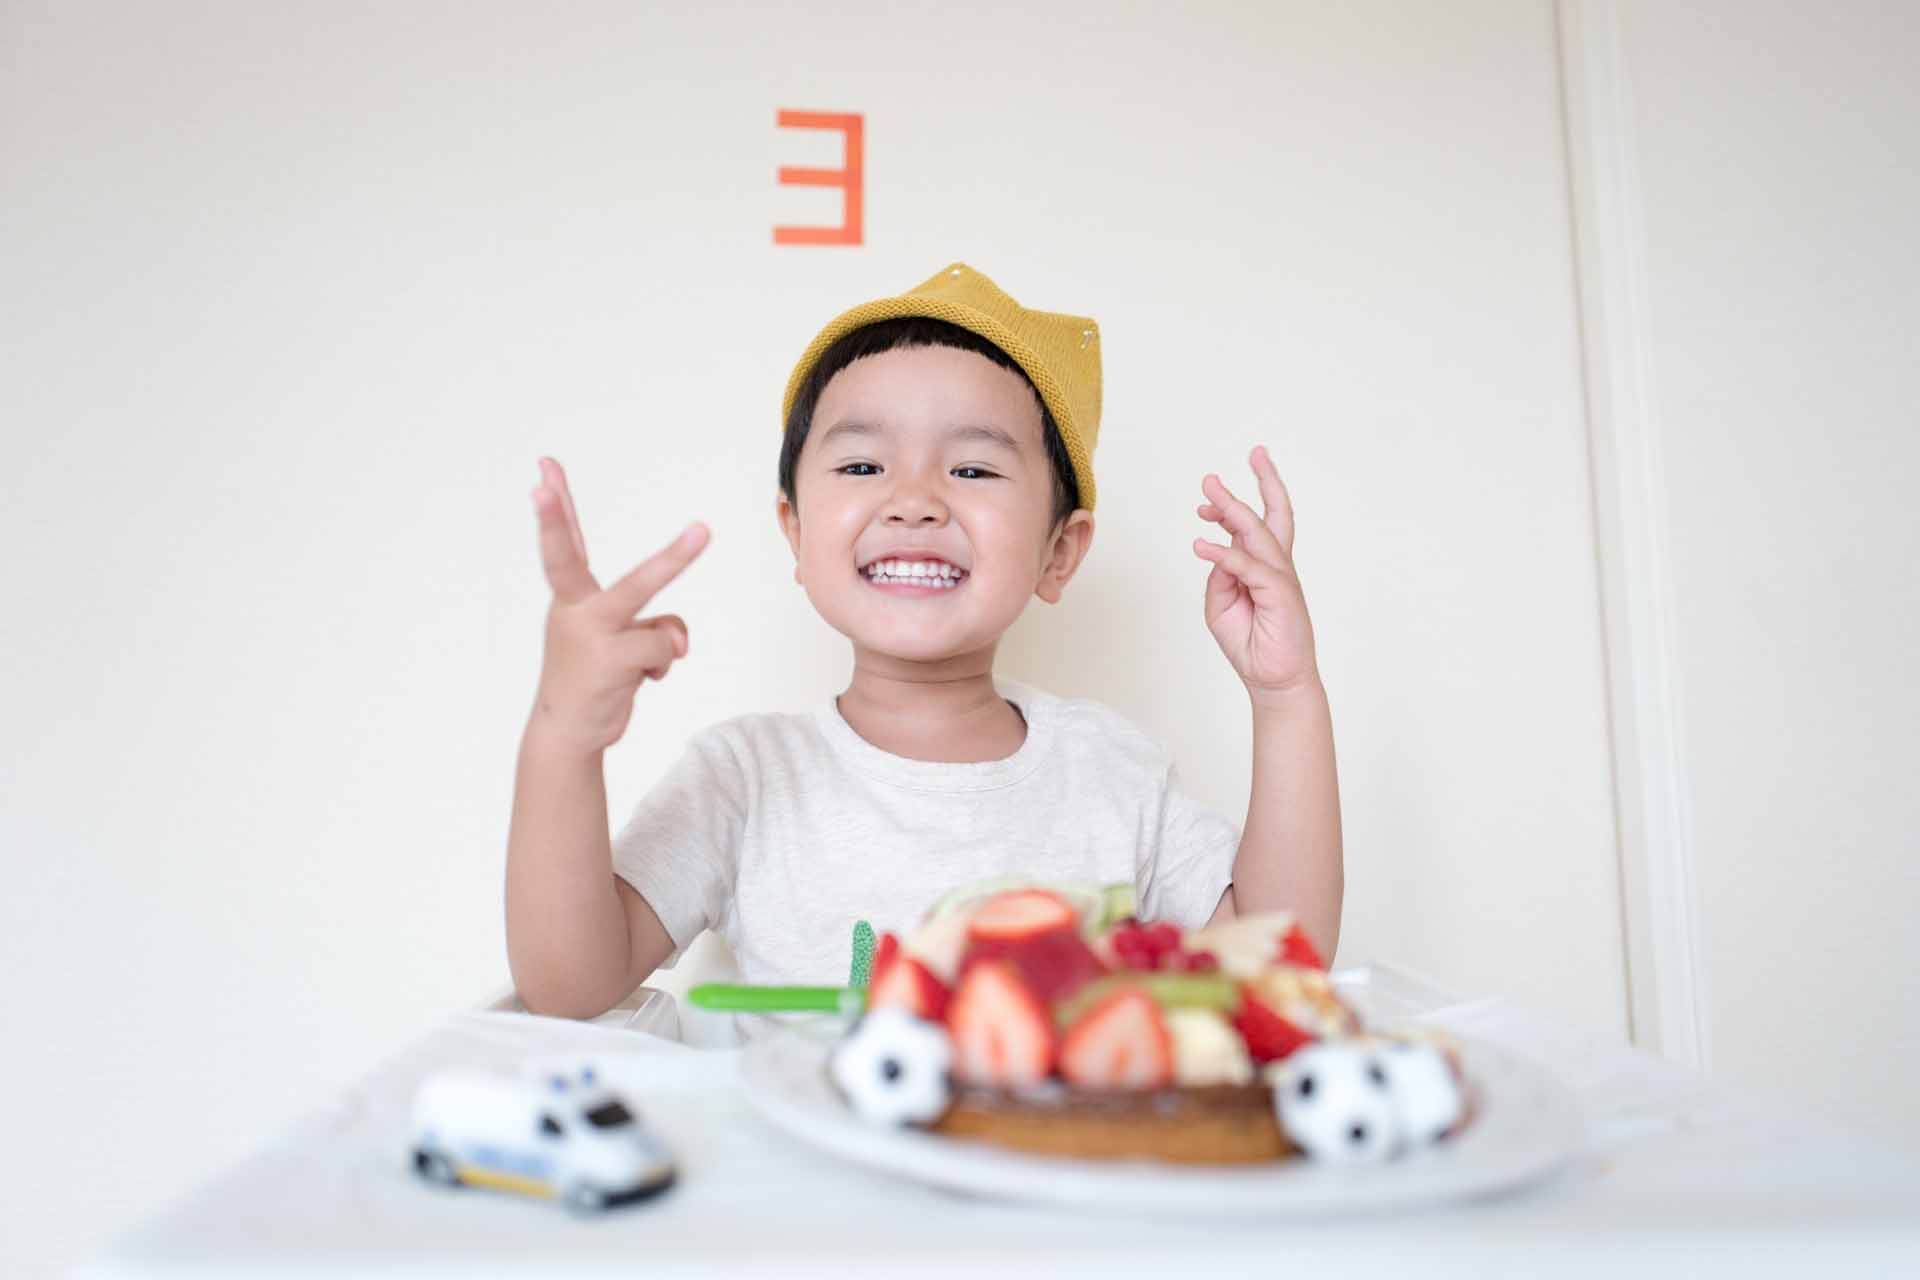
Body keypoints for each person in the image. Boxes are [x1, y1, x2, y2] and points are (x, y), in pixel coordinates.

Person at [504, 262, 1343, 1021]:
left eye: (972, 470)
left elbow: (1276, 969)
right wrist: (564, 736)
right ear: (795, 533)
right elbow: (568, 987)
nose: (914, 501)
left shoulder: (1112, 776)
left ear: (1060, 551)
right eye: (863, 466)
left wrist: (1286, 698)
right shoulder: (745, 779)